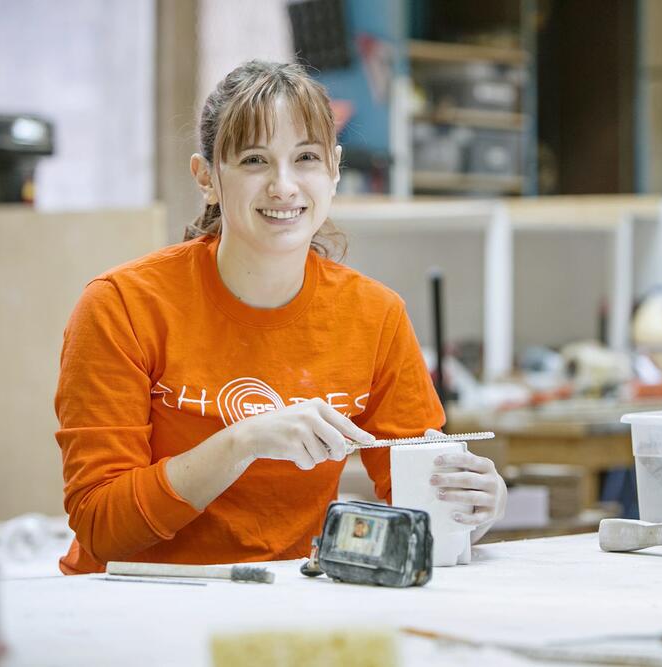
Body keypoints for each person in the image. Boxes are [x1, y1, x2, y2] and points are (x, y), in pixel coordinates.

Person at [54, 60, 507, 574]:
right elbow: (100, 525)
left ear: (334, 171)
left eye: (306, 158)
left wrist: (472, 507)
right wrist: (243, 441)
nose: (284, 186)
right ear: (207, 179)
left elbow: (419, 503)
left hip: (290, 597)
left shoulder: (375, 315)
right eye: (254, 161)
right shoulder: (121, 307)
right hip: (130, 601)